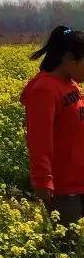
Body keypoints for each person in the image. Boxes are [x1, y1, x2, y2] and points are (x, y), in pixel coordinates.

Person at [22, 26, 84, 225]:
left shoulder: (70, 83)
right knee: (70, 249)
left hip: (80, 179)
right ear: (68, 59)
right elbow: (39, 140)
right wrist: (43, 180)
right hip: (64, 187)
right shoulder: (44, 90)